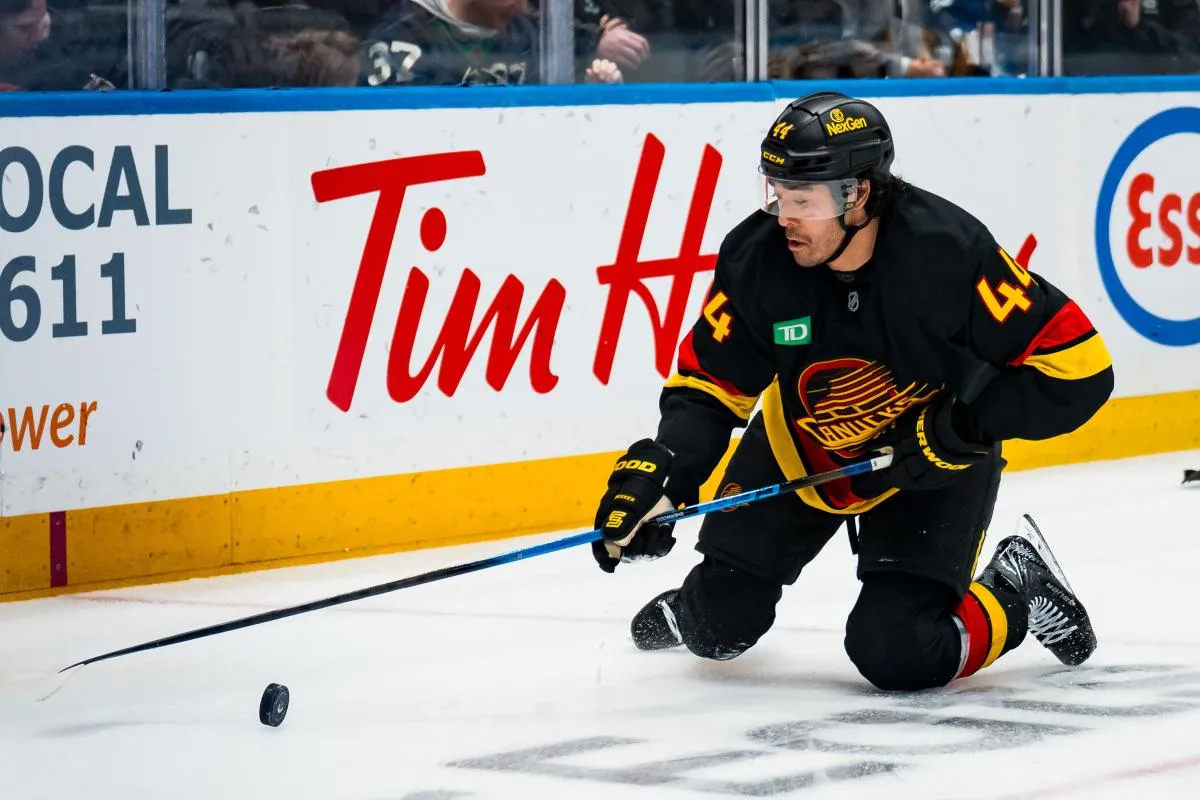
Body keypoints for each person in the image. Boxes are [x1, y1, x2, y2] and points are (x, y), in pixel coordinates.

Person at [590, 91, 1114, 691]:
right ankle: (704, 609)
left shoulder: (947, 252)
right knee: (717, 633)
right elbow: (709, 384)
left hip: (930, 459)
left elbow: (1080, 369)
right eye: (776, 192)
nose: (783, 216)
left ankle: (1014, 588)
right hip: (801, 447)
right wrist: (667, 476)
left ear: (858, 195)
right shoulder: (757, 258)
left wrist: (958, 431)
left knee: (899, 651)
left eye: (803, 200)